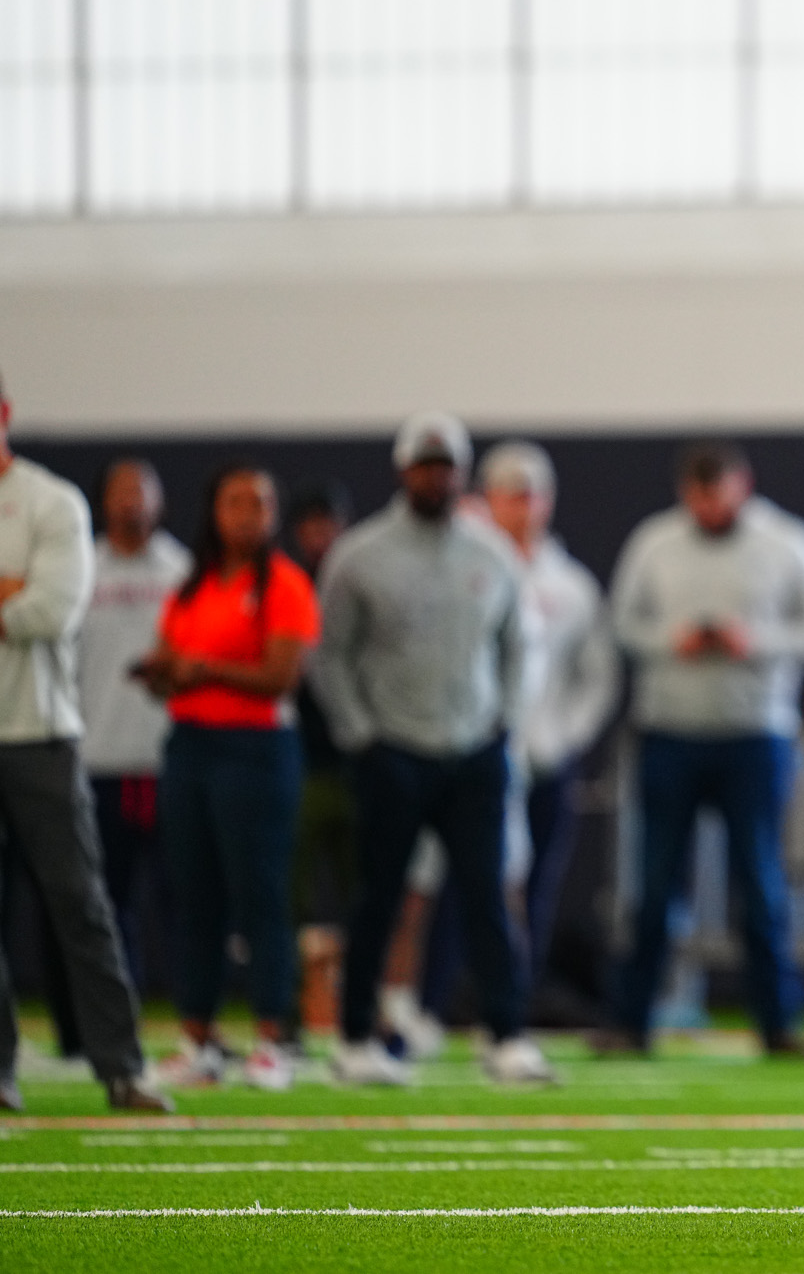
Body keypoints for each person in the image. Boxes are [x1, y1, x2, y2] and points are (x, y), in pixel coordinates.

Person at [312, 412, 553, 1086]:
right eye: (425, 465)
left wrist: (503, 725)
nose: (436, 476)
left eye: (446, 465)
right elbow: (332, 656)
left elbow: (516, 646)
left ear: (462, 471)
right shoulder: (361, 554)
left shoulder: (491, 553)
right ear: (403, 470)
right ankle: (356, 1036)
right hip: (393, 750)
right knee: (379, 898)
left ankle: (505, 1034)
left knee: (487, 896)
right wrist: (361, 736)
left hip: (474, 748)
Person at [605, 442, 804, 1057]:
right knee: (654, 887)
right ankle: (632, 1023)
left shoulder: (788, 542)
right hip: (669, 732)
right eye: (699, 494)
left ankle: (778, 1027)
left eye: (720, 492)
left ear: (743, 485)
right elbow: (622, 624)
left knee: (762, 885)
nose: (710, 506)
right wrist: (670, 639)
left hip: (755, 735)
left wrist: (753, 640)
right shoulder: (654, 542)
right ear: (685, 491)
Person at [0, 373, 170, 1113]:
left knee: (81, 903)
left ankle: (122, 1065)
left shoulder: (51, 500)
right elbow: (22, 599)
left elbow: (52, 609)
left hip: (40, 733)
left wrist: (22, 594)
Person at [139, 464, 319, 1090]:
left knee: (259, 894)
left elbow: (280, 677)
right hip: (191, 744)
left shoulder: (286, 586)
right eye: (236, 501)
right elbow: (172, 659)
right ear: (214, 511)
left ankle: (276, 1037)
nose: (249, 514)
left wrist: (202, 669)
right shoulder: (192, 587)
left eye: (262, 503)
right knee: (195, 896)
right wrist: (164, 671)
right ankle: (200, 1039)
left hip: (256, 749)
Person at [478, 441, 619, 984]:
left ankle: (518, 991)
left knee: (535, 883)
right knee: (469, 881)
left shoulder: (573, 586)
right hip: (475, 753)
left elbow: (598, 677)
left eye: (531, 496)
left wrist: (564, 736)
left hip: (543, 757)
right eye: (510, 496)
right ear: (488, 500)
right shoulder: (471, 573)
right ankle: (447, 995)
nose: (522, 507)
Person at [77, 458, 190, 995]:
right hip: (96, 758)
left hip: (170, 760)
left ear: (161, 502)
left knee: (181, 898)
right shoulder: (81, 569)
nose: (132, 501)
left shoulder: (181, 572)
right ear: (104, 501)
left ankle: (191, 1015)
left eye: (143, 491)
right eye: (122, 490)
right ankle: (108, 1014)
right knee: (104, 900)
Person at [285, 482, 354, 1031]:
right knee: (293, 893)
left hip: (357, 762)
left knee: (366, 890)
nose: (320, 537)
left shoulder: (360, 584)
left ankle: (363, 1004)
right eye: (311, 526)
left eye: (328, 524)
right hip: (299, 761)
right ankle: (288, 1006)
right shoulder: (286, 586)